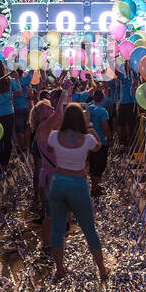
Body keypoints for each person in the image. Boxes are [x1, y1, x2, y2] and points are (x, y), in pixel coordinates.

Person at [40, 104, 105, 271]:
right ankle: (102, 269)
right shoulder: (87, 139)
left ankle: (60, 269)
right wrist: (90, 125)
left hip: (59, 182)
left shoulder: (54, 136)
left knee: (58, 228)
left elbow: (48, 148)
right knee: (89, 228)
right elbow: (98, 146)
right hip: (78, 184)